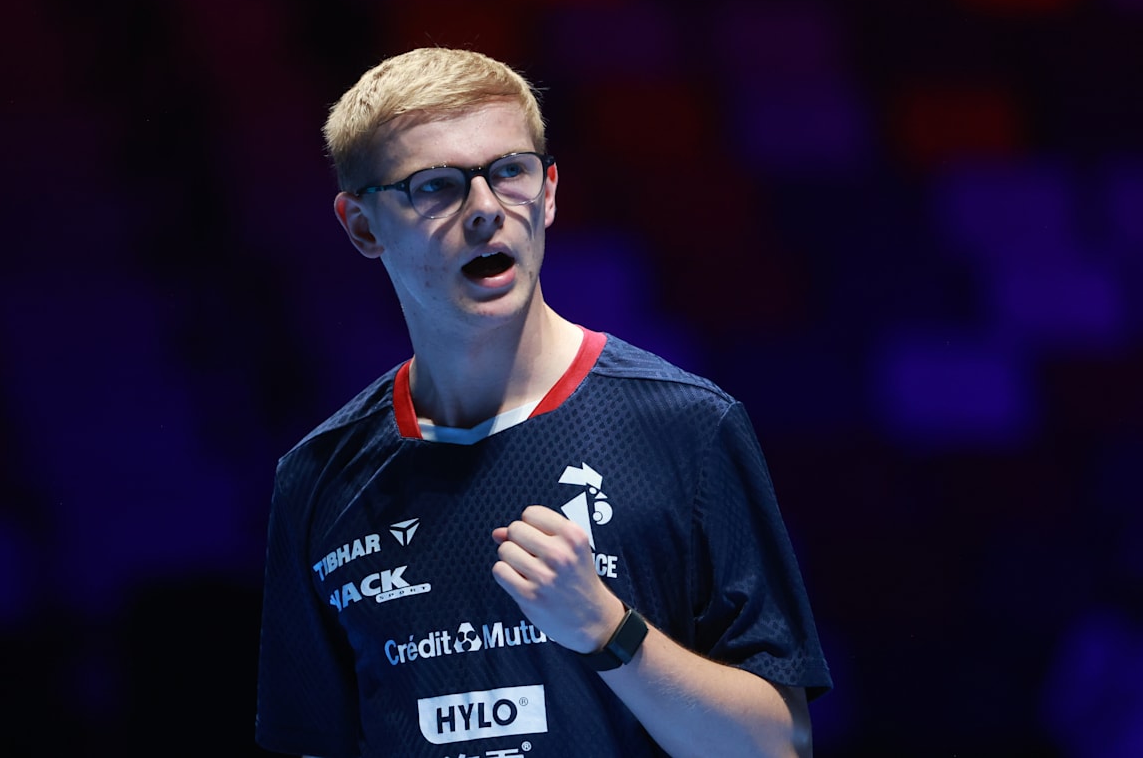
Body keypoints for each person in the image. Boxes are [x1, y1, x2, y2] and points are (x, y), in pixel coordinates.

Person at [256, 47, 831, 757]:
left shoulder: (688, 426)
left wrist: (608, 630)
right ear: (363, 226)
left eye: (509, 172)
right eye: (435, 186)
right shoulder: (316, 478)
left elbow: (777, 747)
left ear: (549, 190)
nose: (485, 210)